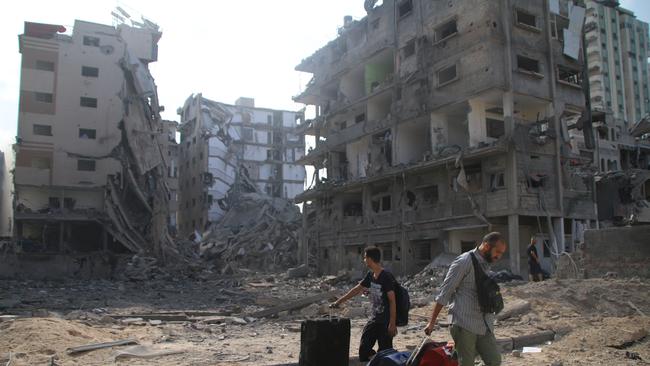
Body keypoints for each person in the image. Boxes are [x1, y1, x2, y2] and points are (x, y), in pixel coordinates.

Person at [423, 232, 508, 366]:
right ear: (486, 246)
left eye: (501, 253)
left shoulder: (486, 264)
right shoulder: (464, 261)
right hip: (464, 323)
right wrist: (432, 322)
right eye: (497, 251)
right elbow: (445, 292)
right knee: (466, 363)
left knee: (494, 360)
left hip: (484, 324)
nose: (499, 256)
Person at [330, 246, 398, 362]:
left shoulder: (386, 276)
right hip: (374, 319)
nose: (364, 260)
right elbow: (357, 289)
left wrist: (392, 323)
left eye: (365, 257)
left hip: (385, 322)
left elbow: (392, 301)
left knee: (385, 354)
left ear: (370, 259)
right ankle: (376, 361)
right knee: (364, 351)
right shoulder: (370, 275)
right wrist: (339, 301)